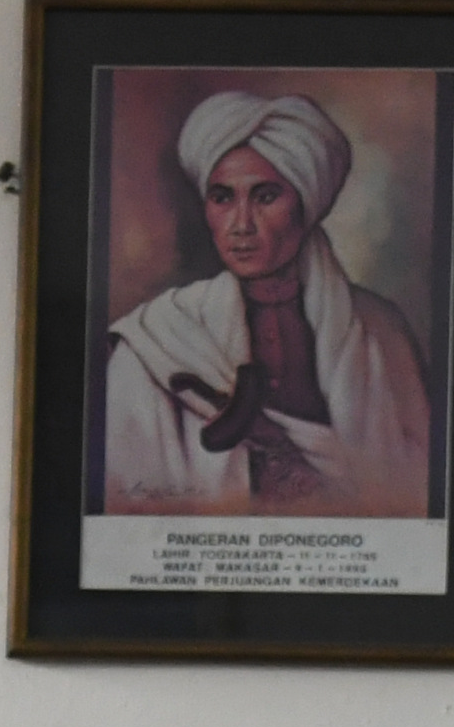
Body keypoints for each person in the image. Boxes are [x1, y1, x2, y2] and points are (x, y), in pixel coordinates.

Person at [97, 90, 433, 518]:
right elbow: (127, 506)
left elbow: (417, 492)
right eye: (223, 198)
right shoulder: (155, 338)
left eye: (266, 196)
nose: (241, 225)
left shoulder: (381, 330)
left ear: (305, 206)